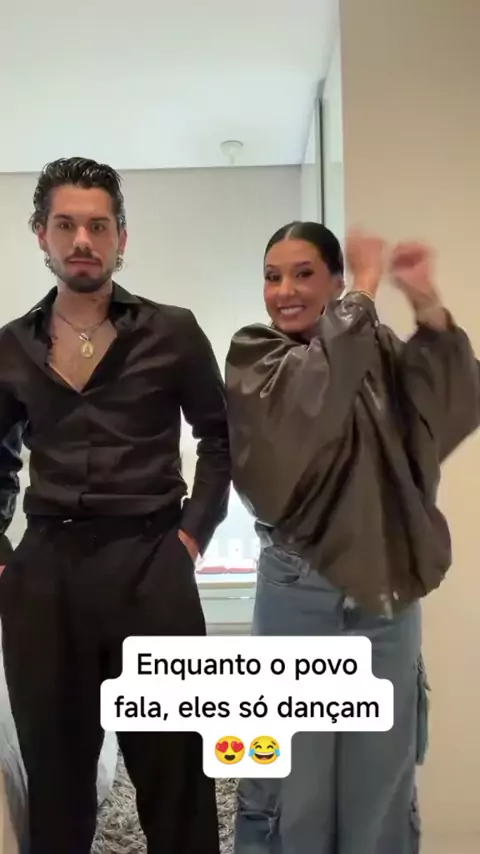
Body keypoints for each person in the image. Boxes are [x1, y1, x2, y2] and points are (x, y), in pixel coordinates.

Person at [225, 221, 480, 854]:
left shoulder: (379, 350)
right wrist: (364, 289)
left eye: (304, 274)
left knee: (381, 784)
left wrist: (425, 301)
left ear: (332, 282)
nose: (284, 290)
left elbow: (453, 395)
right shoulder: (257, 355)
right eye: (273, 276)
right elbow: (308, 406)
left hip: (384, 596)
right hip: (298, 594)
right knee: (291, 784)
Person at [0, 156, 231, 854]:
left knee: (176, 774)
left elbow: (221, 438)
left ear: (121, 238)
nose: (82, 240)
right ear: (41, 235)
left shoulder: (173, 331)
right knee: (57, 784)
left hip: (151, 564)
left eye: (98, 226)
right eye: (66, 225)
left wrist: (191, 538)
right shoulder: (9, 348)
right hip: (47, 576)